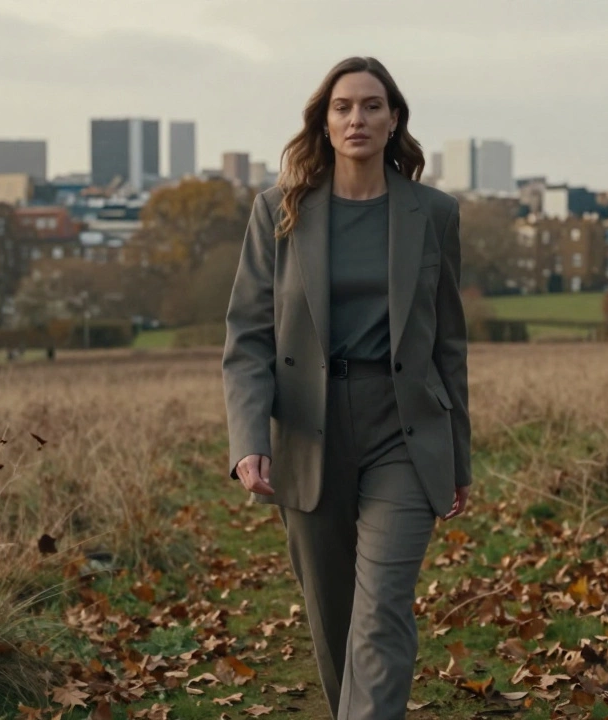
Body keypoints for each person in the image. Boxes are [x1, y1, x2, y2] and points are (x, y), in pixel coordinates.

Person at [221, 56, 472, 720]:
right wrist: (248, 440)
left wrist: (460, 458)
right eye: (343, 107)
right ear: (324, 122)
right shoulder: (279, 212)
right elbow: (247, 336)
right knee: (335, 620)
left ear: (394, 121)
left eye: (371, 106)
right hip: (310, 428)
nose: (356, 118)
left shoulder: (434, 214)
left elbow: (448, 342)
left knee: (382, 609)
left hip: (405, 428)